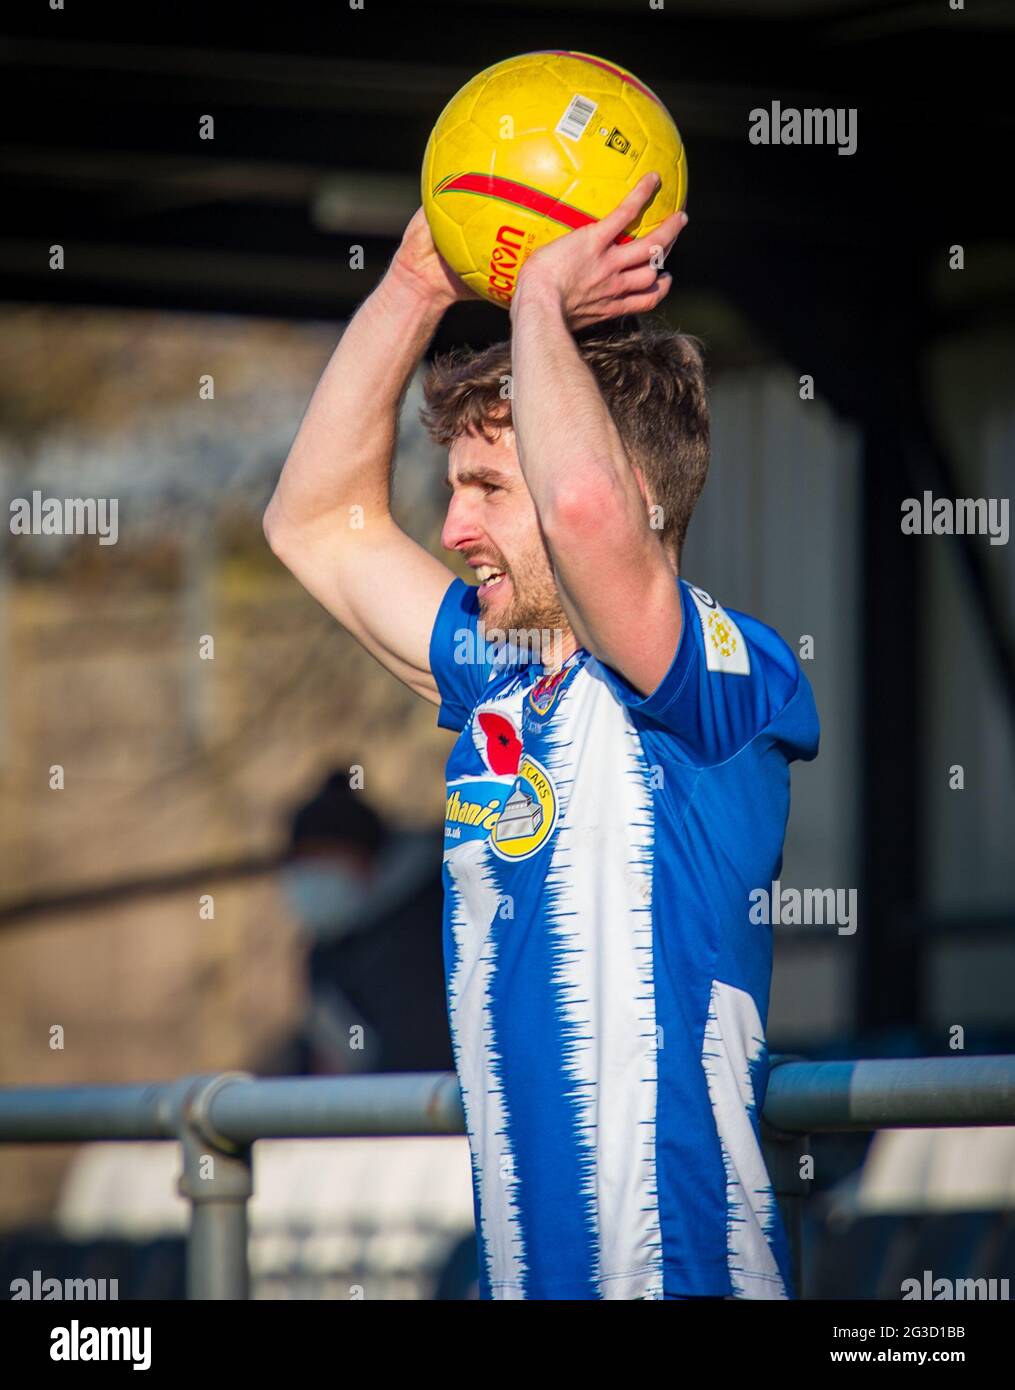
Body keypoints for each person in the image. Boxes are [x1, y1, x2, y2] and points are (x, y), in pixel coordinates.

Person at [263, 173, 819, 1300]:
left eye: (484, 487)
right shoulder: (496, 674)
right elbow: (314, 522)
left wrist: (538, 308)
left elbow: (587, 519)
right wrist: (419, 281)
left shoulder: (718, 679)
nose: (452, 525)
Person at [269, 770, 454, 1076]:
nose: (310, 880)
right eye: (302, 864)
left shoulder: (424, 930)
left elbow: (419, 1054)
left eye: (323, 860)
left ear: (366, 861)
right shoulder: (327, 949)